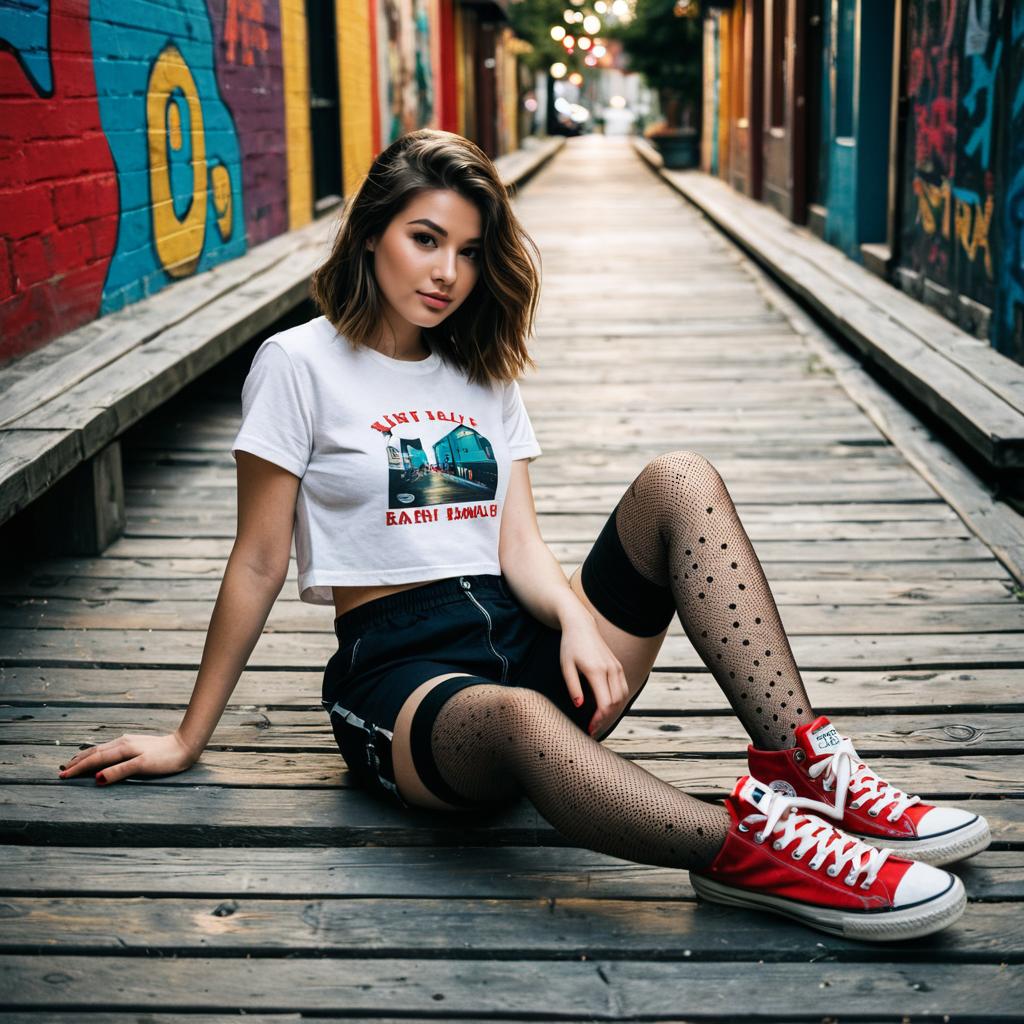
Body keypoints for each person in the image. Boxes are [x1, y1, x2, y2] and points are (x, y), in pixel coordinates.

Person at [57, 128, 989, 943]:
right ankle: (764, 857)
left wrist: (577, 620)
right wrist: (188, 737)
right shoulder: (298, 364)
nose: (446, 273)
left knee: (681, 481)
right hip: (409, 684)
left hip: (524, 633)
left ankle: (804, 767)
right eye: (425, 239)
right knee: (518, 717)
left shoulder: (479, 369)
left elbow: (521, 547)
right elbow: (259, 560)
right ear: (372, 232)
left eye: (468, 251)